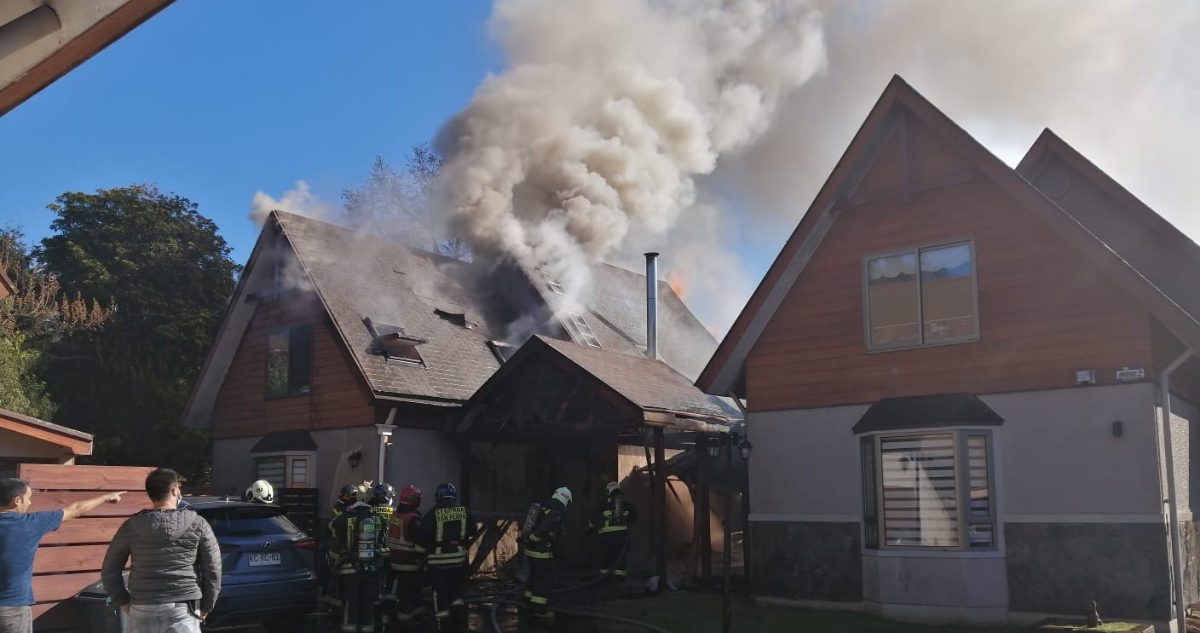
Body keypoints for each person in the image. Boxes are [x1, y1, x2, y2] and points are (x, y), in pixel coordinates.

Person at [101, 468, 221, 633]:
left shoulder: (131, 526)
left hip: (141, 606)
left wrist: (122, 601)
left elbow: (109, 570)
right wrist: (207, 606)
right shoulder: (198, 524)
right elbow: (213, 569)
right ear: (174, 491)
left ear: (150, 494)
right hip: (184, 607)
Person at [0, 478, 124, 633]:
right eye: (29, 498)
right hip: (12, 609)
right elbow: (76, 510)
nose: (30, 503)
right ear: (16, 501)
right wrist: (105, 497)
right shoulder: (30, 523)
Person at [418, 482, 476, 631]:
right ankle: (459, 616)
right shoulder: (464, 511)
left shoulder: (434, 513)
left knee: (440, 593)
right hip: (458, 559)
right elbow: (473, 530)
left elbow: (422, 535)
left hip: (438, 561)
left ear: (438, 496)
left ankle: (443, 624)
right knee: (457, 589)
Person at [329, 488, 380, 633]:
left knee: (352, 600)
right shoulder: (374, 517)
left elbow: (332, 527)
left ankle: (350, 626)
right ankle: (367, 627)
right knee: (367, 600)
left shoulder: (346, 517)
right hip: (370, 567)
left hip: (349, 567)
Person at [522, 487, 571, 618]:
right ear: (566, 500)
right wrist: (533, 539)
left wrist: (528, 541)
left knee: (532, 576)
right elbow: (544, 529)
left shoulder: (544, 507)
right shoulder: (556, 513)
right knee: (542, 580)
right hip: (541, 551)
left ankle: (528, 603)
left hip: (530, 550)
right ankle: (539, 609)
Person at [384, 485, 424, 626]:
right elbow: (419, 544)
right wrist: (423, 559)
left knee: (393, 591)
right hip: (409, 563)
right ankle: (406, 622)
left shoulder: (395, 514)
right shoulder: (413, 519)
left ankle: (390, 617)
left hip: (393, 559)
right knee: (409, 594)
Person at [590, 481, 637, 583]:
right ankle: (619, 581)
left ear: (608, 491)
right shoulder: (626, 503)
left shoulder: (603, 503)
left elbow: (593, 518)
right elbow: (634, 517)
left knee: (606, 558)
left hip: (605, 537)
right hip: (621, 536)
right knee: (620, 559)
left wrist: (590, 528)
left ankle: (604, 580)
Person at [367, 483, 395, 630]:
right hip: (391, 554)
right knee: (390, 584)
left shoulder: (368, 511)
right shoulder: (395, 513)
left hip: (374, 554)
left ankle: (375, 613)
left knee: (376, 585)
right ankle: (387, 613)